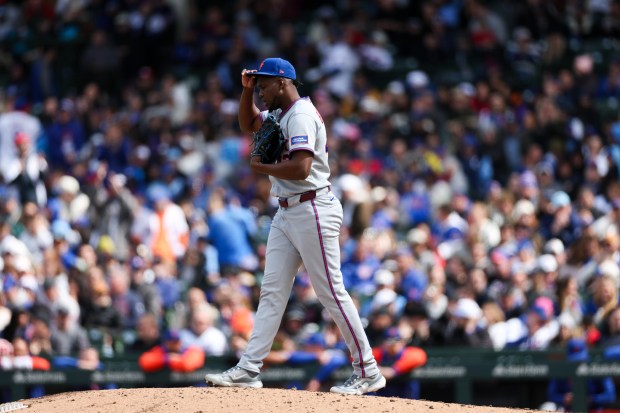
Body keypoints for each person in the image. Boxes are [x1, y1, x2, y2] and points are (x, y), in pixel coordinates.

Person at [205, 57, 385, 395]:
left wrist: (262, 169)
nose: (260, 92)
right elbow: (249, 124)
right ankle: (248, 368)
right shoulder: (279, 112)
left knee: (330, 291)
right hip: (288, 211)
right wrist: (246, 93)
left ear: (283, 82)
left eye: (263, 86)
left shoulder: (300, 114)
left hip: (312, 206)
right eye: (256, 87)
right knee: (271, 292)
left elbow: (302, 167)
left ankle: (368, 370)